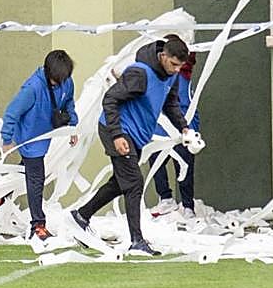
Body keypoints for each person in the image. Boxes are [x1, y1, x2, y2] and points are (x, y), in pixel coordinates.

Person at [72, 36, 193, 257]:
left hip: (134, 137)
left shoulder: (170, 77)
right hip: (115, 130)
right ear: (163, 56)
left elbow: (170, 104)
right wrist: (117, 135)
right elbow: (110, 99)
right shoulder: (139, 73)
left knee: (121, 182)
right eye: (173, 64)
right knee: (135, 182)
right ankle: (137, 240)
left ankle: (80, 216)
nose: (176, 70)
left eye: (180, 66)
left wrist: (184, 128)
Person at [0, 50, 77, 241]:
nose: (60, 84)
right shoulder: (32, 88)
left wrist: (72, 127)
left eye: (63, 80)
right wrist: (7, 140)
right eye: (55, 81)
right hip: (29, 137)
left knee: (24, 171)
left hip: (45, 135)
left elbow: (69, 103)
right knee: (36, 179)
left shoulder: (66, 81)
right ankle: (38, 225)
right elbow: (11, 112)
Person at [150, 38, 200, 218]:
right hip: (161, 129)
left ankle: (187, 205)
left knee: (184, 165)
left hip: (182, 129)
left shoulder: (182, 76)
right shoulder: (161, 75)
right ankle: (166, 199)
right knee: (156, 162)